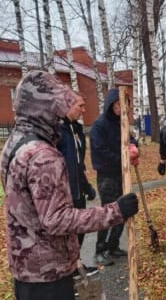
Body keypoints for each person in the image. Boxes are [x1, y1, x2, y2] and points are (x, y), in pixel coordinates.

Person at [0, 70, 139, 300]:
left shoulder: (15, 143)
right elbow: (56, 219)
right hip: (48, 276)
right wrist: (116, 211)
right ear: (46, 107)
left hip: (25, 268)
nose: (62, 112)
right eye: (58, 104)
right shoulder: (43, 155)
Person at [90, 88, 139, 266]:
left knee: (123, 210)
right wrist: (123, 159)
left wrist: (134, 147)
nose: (120, 108)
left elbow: (131, 139)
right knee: (108, 212)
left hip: (122, 174)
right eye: (118, 105)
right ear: (111, 105)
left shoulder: (122, 123)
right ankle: (100, 250)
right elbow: (100, 150)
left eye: (124, 105)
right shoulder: (99, 125)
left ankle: (113, 246)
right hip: (107, 175)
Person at [57, 93, 98, 275]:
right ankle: (69, 268)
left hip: (78, 189)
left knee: (79, 229)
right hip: (64, 191)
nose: (84, 110)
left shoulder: (76, 129)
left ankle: (77, 263)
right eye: (80, 106)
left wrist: (86, 185)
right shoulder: (58, 131)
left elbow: (78, 163)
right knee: (68, 232)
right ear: (67, 105)